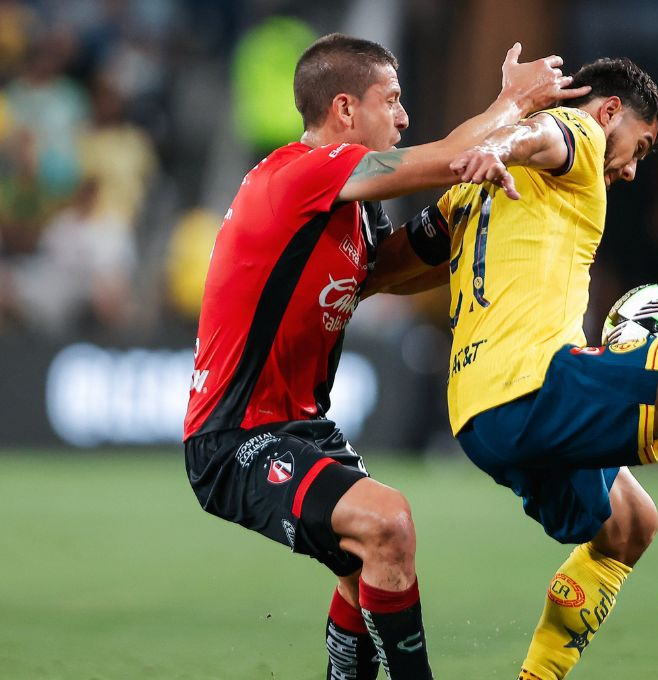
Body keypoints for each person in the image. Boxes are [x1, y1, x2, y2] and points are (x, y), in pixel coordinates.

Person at [182, 33, 586, 680]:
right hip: (236, 436)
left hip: (304, 427)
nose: (403, 117)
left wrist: (474, 217)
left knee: (366, 563)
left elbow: (394, 271)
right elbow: (453, 154)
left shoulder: (351, 211)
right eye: (391, 101)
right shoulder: (300, 174)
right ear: (345, 110)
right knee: (387, 521)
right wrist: (514, 102)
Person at [387, 56, 658, 679]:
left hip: (477, 417)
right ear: (610, 113)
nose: (632, 167)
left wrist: (337, 286)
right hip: (534, 383)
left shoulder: (470, 192)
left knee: (630, 526)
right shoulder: (577, 135)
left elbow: (396, 265)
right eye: (640, 144)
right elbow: (543, 133)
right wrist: (503, 136)